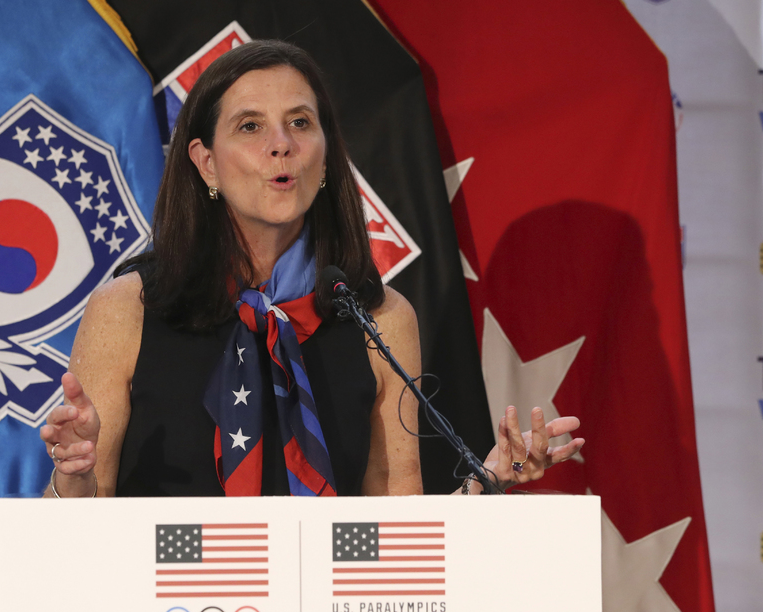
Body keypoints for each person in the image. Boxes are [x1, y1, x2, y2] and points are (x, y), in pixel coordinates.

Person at [40, 40, 583, 498]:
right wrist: (75, 478)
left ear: (324, 156)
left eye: (299, 122)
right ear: (206, 163)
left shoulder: (381, 319)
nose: (282, 145)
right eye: (250, 127)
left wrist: (486, 482)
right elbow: (73, 543)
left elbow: (395, 534)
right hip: (174, 595)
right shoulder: (128, 311)